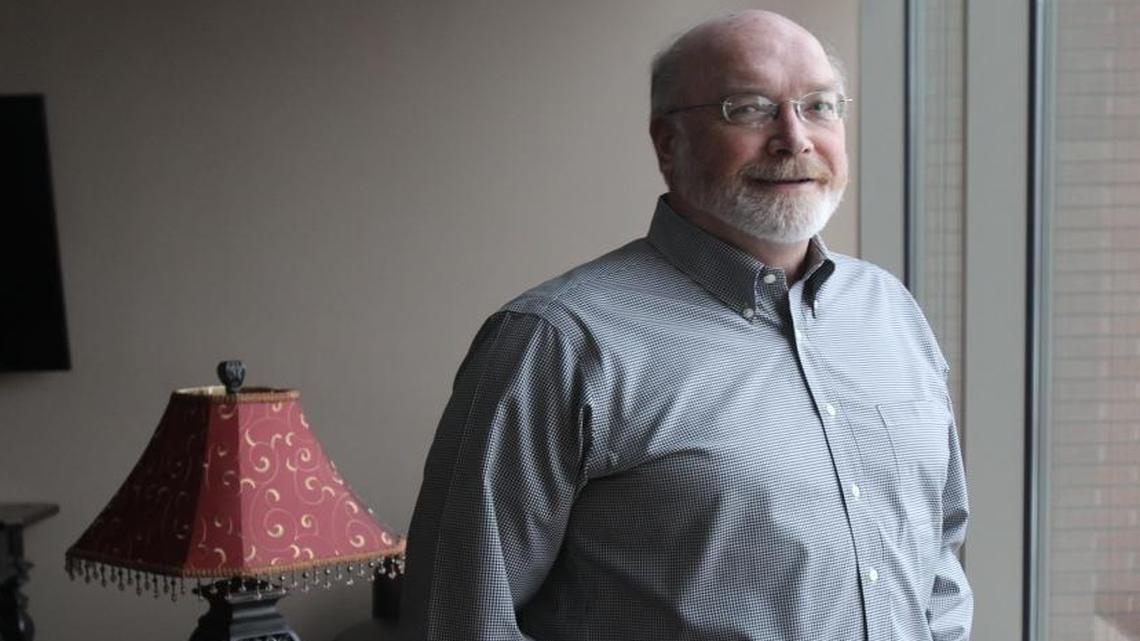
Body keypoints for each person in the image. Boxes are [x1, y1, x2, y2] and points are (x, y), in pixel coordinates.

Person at [400, 9, 972, 641]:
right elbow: (458, 619)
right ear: (667, 144)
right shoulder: (555, 341)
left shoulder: (889, 313)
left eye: (819, 106)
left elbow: (937, 555)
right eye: (750, 108)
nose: (794, 138)